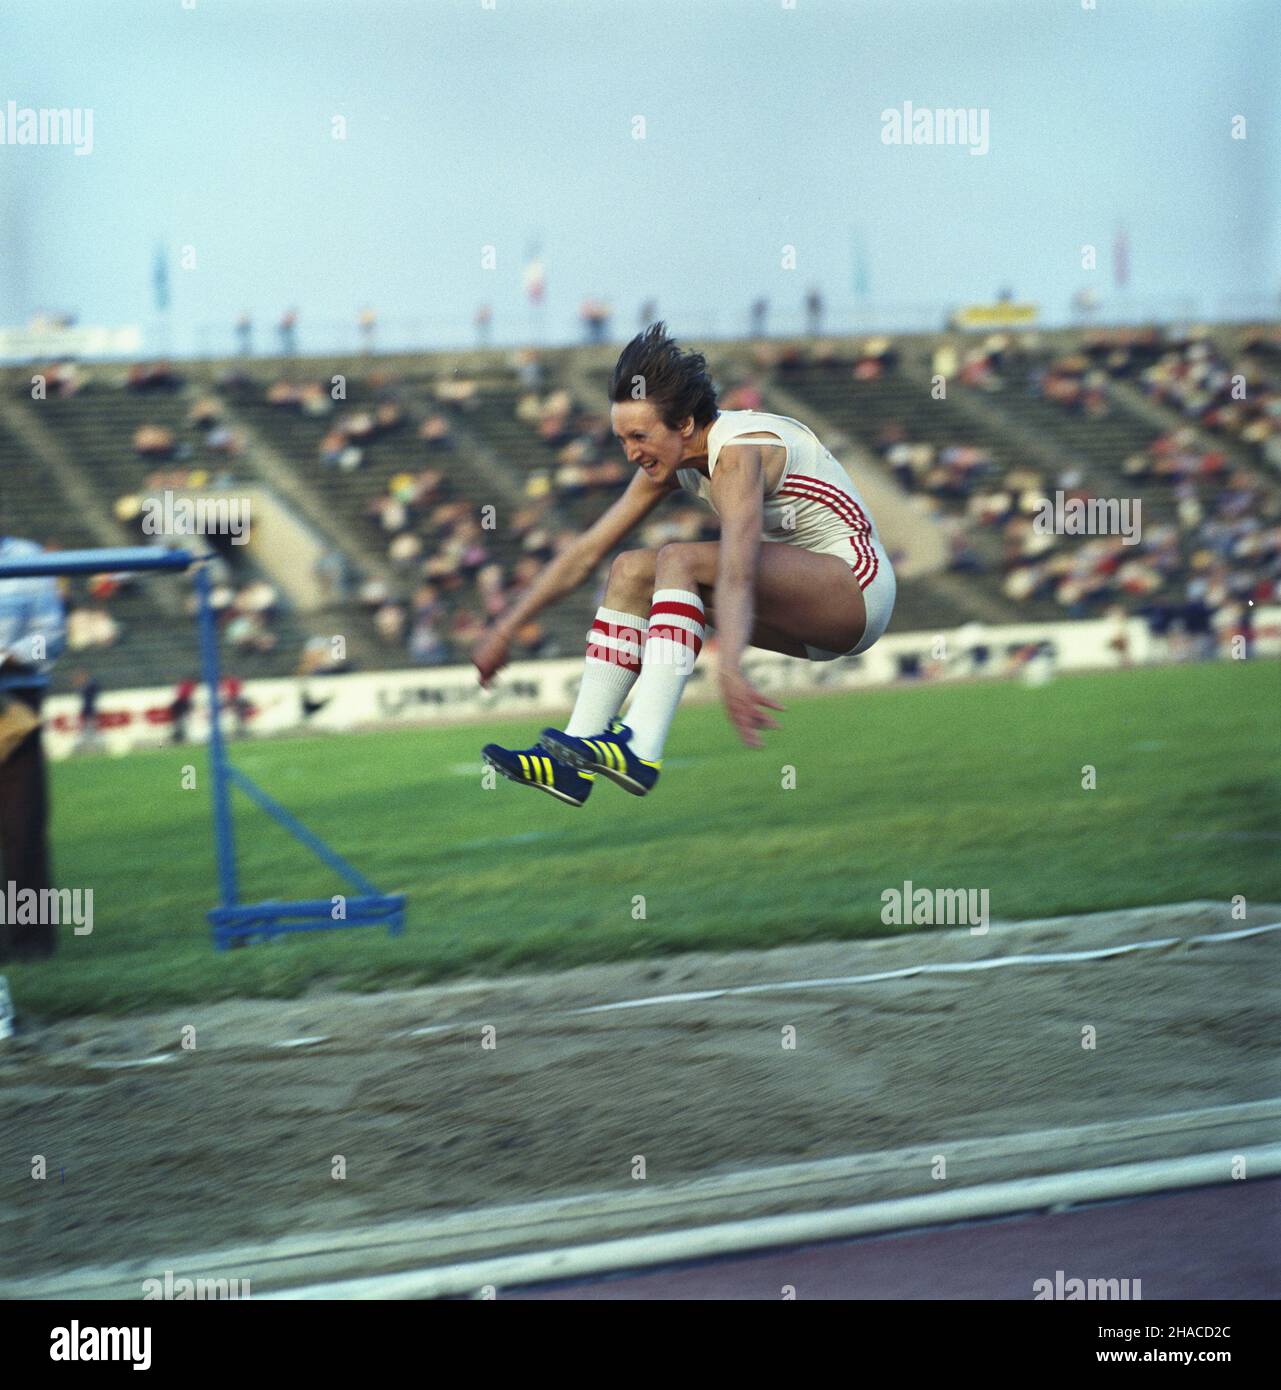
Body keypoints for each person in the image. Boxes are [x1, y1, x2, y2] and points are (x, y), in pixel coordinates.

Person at [474, 323, 896, 805]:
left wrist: (730, 665)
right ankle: (574, 757)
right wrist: (507, 628)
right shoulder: (673, 459)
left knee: (679, 558)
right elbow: (586, 552)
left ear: (687, 425)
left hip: (856, 591)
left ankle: (641, 744)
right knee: (631, 570)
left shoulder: (738, 453)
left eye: (639, 436)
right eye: (622, 439)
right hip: (801, 613)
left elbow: (737, 570)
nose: (632, 452)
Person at [0, 537, 67, 962]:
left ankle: (32, 945)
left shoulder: (25, 559)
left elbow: (51, 640)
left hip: (13, 702)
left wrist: (8, 656)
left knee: (23, 829)